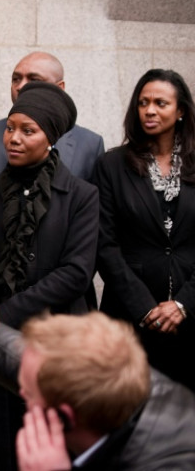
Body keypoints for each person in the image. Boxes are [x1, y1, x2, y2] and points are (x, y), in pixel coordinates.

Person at [0, 277, 195, 470]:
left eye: (28, 392)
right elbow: (14, 353)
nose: (21, 392)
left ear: (62, 417)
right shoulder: (124, 384)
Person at [0, 81, 99, 470]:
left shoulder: (81, 196)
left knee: (49, 445)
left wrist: (4, 316)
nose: (14, 139)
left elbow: (75, 273)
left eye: (28, 130)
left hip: (55, 341)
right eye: (10, 128)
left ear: (51, 138)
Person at [93, 69, 195, 392]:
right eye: (143, 102)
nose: (149, 110)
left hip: (190, 316)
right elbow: (105, 244)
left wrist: (182, 304)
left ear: (180, 111)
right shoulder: (112, 165)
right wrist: (145, 307)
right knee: (128, 412)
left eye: (160, 103)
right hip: (130, 315)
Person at [0, 51, 104, 213]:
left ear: (60, 88)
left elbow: (96, 213)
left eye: (34, 79)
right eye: (16, 79)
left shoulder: (90, 144)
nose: (21, 86)